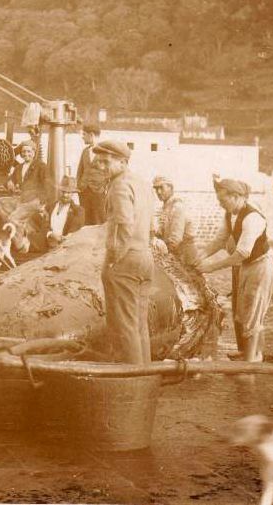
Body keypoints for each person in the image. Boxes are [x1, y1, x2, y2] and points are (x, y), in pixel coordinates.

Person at [196, 179, 273, 363]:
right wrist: (199, 257)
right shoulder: (230, 214)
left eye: (223, 200)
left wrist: (211, 267)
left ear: (236, 196)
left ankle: (250, 362)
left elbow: (241, 253)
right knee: (243, 310)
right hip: (248, 266)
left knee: (252, 313)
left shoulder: (252, 218)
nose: (220, 204)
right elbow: (219, 240)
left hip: (260, 266)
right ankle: (252, 353)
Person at [94, 140, 154, 364]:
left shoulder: (119, 185)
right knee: (139, 324)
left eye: (106, 162)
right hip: (144, 257)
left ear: (123, 161)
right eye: (99, 162)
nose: (101, 166)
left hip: (125, 260)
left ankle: (129, 381)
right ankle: (144, 373)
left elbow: (123, 226)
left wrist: (112, 260)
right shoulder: (141, 183)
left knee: (124, 325)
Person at [152, 175, 199, 266]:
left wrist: (163, 255)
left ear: (170, 187)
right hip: (176, 253)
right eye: (156, 189)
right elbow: (163, 232)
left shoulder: (177, 207)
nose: (158, 192)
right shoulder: (166, 207)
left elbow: (175, 239)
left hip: (184, 255)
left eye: (161, 188)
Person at [41, 176, 85, 249]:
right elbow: (44, 224)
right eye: (63, 192)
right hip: (46, 243)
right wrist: (51, 234)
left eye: (68, 192)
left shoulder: (78, 211)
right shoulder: (49, 207)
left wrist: (62, 239)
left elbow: (74, 233)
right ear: (59, 191)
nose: (65, 195)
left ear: (73, 193)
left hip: (64, 247)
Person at [76, 123, 107, 225]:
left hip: (98, 192)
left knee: (98, 220)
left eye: (84, 134)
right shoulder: (85, 151)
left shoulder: (104, 152)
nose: (82, 137)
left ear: (91, 135)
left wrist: (104, 188)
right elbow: (80, 171)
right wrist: (79, 186)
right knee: (85, 221)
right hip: (84, 191)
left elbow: (109, 171)